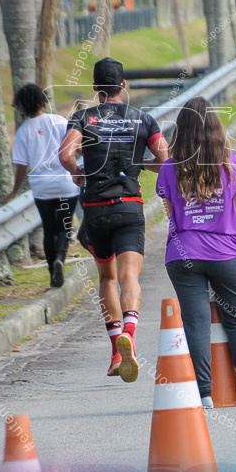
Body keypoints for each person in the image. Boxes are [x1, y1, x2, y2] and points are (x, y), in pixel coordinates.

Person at [59, 58, 169, 383]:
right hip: (129, 207)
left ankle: (115, 350)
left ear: (95, 89)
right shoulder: (143, 118)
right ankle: (130, 337)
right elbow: (166, 160)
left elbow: (65, 155)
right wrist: (140, 165)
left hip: (95, 209)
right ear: (124, 85)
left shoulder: (82, 118)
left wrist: (78, 173)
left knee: (106, 278)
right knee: (129, 277)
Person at [156, 97, 236, 408]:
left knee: (195, 321)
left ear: (182, 131)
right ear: (216, 129)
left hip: (182, 254)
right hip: (226, 253)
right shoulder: (233, 165)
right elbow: (235, 212)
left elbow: (169, 211)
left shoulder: (168, 168)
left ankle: (203, 394)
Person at [3, 83, 81, 289]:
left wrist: (14, 190)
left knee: (49, 229)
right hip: (66, 184)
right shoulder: (59, 121)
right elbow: (77, 149)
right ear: (42, 101)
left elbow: (21, 166)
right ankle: (60, 261)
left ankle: (51, 273)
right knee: (65, 227)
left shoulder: (22, 132)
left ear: (22, 107)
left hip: (42, 188)